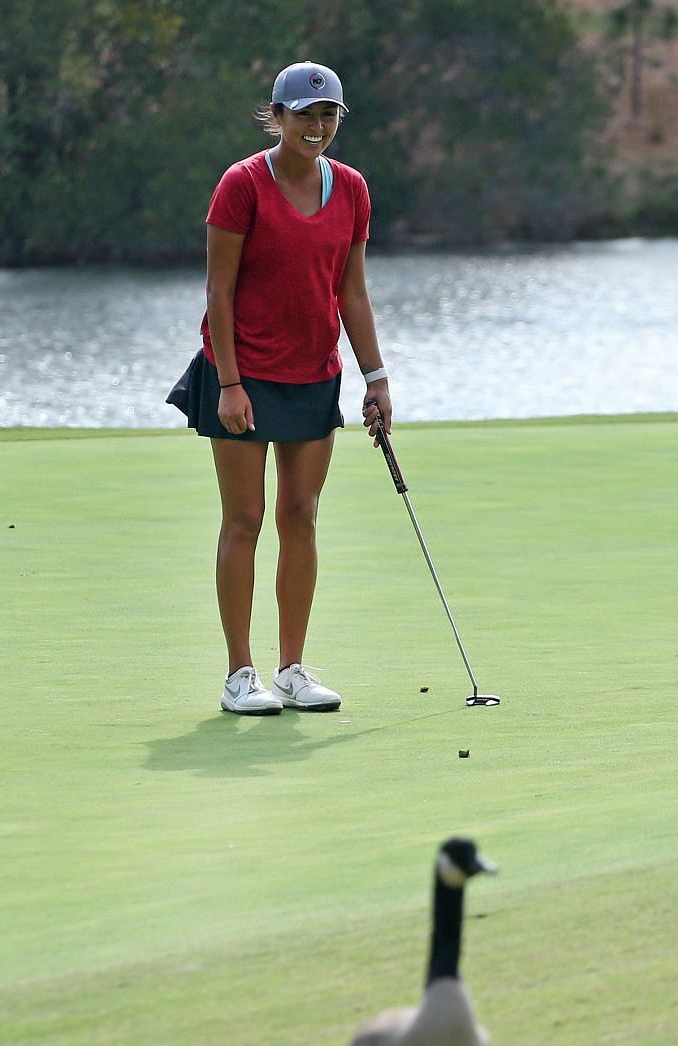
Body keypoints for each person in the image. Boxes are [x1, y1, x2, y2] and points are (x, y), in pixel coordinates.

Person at [167, 59, 392, 717]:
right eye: (304, 114)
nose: (316, 126)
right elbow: (220, 290)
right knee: (245, 518)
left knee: (301, 516)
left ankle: (291, 669)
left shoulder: (351, 189)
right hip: (241, 372)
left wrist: (376, 379)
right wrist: (230, 384)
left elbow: (350, 289)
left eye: (328, 115)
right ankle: (241, 674)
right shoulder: (241, 185)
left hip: (313, 371)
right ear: (278, 116)